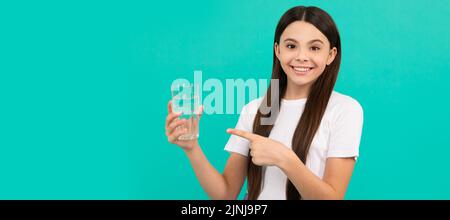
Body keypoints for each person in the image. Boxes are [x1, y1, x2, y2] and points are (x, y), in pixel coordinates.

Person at [165, 6, 363, 200]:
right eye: (291, 46)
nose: (302, 57)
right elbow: (225, 193)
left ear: (331, 55)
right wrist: (191, 148)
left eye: (314, 48)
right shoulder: (255, 110)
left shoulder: (345, 110)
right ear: (277, 50)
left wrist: (284, 158)